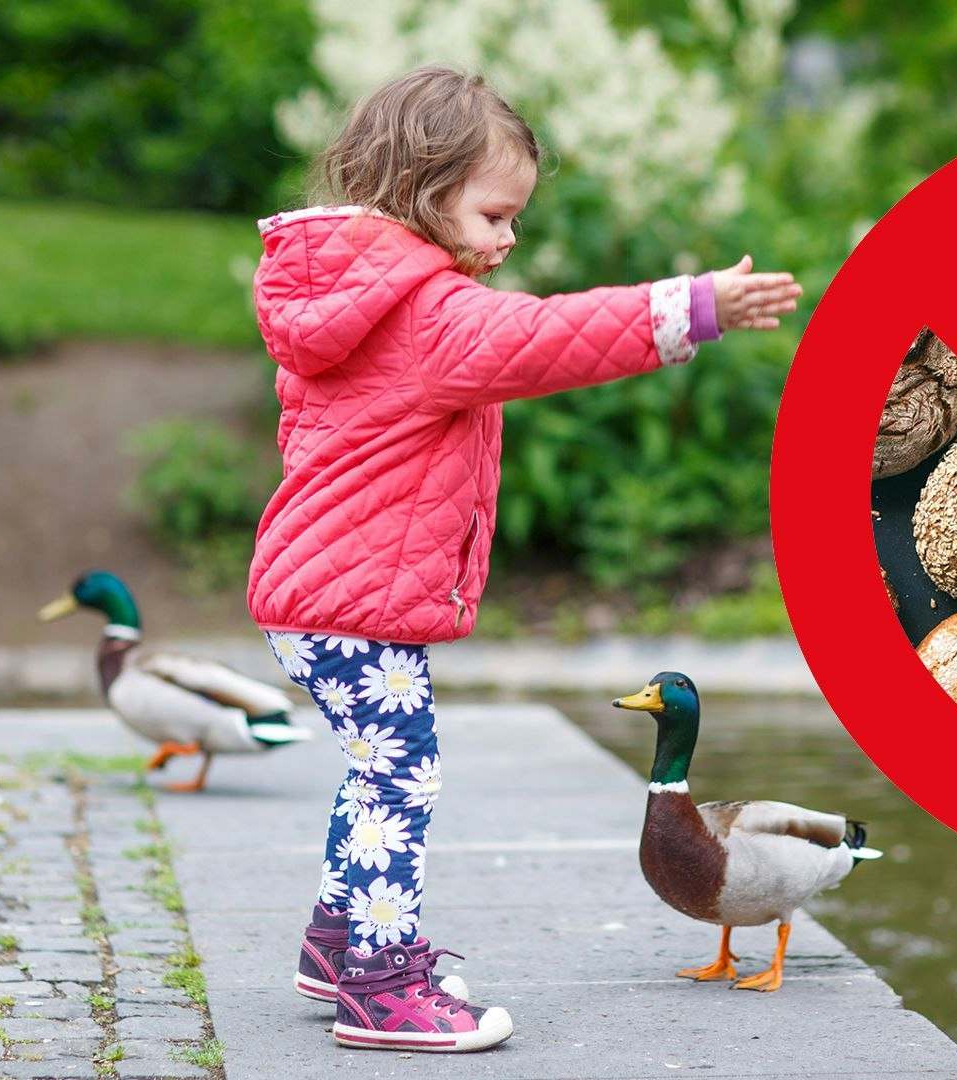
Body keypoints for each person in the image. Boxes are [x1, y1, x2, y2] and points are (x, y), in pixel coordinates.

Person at [247, 65, 799, 1054]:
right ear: (424, 192)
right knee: (399, 780)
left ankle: (340, 945)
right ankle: (378, 988)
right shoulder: (427, 314)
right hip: (349, 603)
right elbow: (547, 337)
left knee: (378, 771)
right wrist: (692, 307)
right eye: (494, 215)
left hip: (317, 591)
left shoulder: (348, 296)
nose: (507, 239)